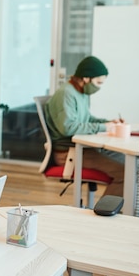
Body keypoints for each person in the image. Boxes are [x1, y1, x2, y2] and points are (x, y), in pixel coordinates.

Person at [44, 55, 124, 197]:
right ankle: (104, 215)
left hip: (82, 149)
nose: (99, 87)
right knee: (125, 172)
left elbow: (87, 119)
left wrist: (108, 123)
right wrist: (104, 128)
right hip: (68, 153)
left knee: (129, 163)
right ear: (86, 78)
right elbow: (68, 127)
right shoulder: (66, 94)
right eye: (98, 83)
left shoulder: (82, 93)